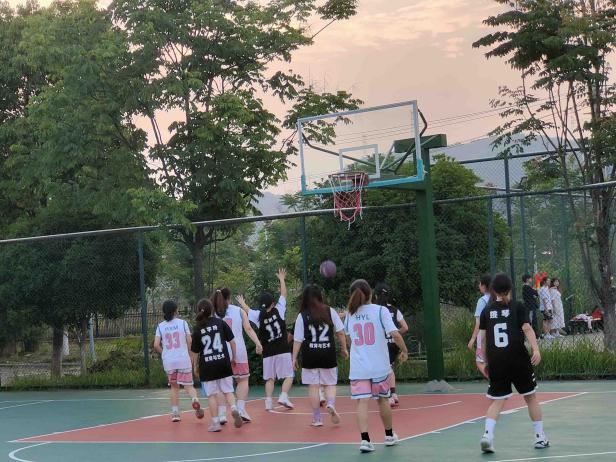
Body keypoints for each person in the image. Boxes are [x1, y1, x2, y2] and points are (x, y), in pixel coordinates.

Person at [478, 273, 549, 454]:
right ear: (510, 288)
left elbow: (483, 339)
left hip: (497, 361)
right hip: (518, 359)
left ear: (493, 290)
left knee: (497, 401)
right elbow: (527, 328)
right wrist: (536, 349)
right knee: (530, 397)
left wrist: (484, 361)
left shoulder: (487, 310)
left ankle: (487, 435)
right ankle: (539, 437)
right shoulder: (517, 306)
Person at [344, 279, 408, 453]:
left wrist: (357, 350)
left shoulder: (350, 315)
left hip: (359, 367)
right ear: (370, 293)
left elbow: (349, 339)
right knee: (382, 400)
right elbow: (395, 334)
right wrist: (404, 350)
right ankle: (389, 436)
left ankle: (365, 440)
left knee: (362, 402)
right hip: (379, 366)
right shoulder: (381, 311)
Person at [237, 269, 294, 411]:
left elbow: (248, 310)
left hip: (268, 352)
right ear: (273, 303)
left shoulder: (258, 315)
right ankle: (283, 395)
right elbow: (284, 294)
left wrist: (242, 302)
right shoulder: (279, 310)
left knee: (270, 378)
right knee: (289, 375)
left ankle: (268, 402)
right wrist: (282, 279)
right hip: (282, 349)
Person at [292, 284, 348, 427]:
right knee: (330, 384)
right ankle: (331, 404)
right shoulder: (330, 311)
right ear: (319, 296)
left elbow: (298, 339)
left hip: (310, 355)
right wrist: (344, 348)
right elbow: (340, 332)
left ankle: (317, 418)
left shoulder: (302, 315)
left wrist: (294, 357)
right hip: (327, 353)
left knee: (313, 387)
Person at [212, 288, 263, 424]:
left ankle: (222, 414)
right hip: (238, 350)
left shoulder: (212, 313)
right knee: (243, 380)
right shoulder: (239, 311)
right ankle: (240, 409)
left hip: (219, 352)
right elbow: (248, 329)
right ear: (229, 298)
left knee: (220, 384)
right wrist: (258, 343)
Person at [191, 298, 243, 432]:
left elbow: (195, 352)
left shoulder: (197, 329)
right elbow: (232, 342)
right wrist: (234, 357)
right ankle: (234, 408)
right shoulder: (220, 322)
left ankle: (215, 423)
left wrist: (195, 366)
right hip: (223, 362)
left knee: (212, 395)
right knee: (228, 391)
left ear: (199, 311)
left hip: (207, 366)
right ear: (212, 310)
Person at [153, 300, 202, 422]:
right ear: (175, 311)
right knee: (188, 385)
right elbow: (189, 341)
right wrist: (191, 355)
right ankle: (194, 399)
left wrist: (164, 353)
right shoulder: (183, 323)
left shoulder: (160, 326)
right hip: (183, 359)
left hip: (169, 362)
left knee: (174, 387)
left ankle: (175, 413)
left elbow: (156, 345)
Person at [373, 282, 408, 407]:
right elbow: (405, 327)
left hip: (380, 344)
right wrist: (394, 333)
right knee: (390, 368)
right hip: (393, 343)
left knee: (381, 371)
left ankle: (388, 396)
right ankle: (393, 394)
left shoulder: (374, 309)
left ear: (375, 295)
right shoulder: (394, 309)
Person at [467, 274, 492, 378]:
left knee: (480, 362)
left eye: (480, 283)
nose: (479, 285)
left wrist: (473, 339)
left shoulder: (482, 301)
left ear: (484, 286)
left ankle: (494, 381)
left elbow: (479, 323)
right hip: (495, 334)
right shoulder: (498, 299)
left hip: (484, 335)